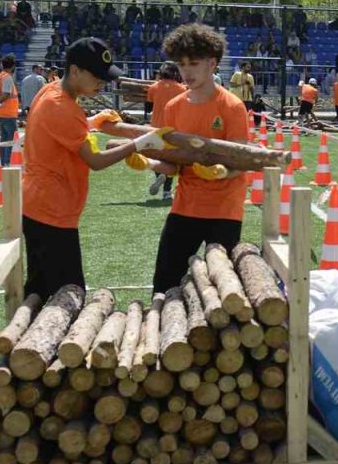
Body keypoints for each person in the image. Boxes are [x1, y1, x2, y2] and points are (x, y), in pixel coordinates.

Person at [21, 39, 160, 300]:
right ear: (75, 71)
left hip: (41, 205)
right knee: (68, 295)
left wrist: (91, 121)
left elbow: (60, 129)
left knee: (40, 290)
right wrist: (138, 144)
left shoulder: (53, 92)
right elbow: (95, 161)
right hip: (51, 210)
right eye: (97, 76)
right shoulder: (63, 107)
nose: (102, 83)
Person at [151, 24, 249, 295]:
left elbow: (241, 160)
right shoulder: (174, 107)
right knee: (164, 282)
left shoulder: (232, 106)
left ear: (212, 64)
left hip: (224, 209)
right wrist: (149, 164)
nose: (187, 71)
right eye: (181, 64)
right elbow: (173, 164)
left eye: (194, 63)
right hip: (186, 207)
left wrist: (220, 172)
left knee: (224, 287)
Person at [145, 62, 187, 201]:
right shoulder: (182, 89)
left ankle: (160, 175)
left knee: (156, 157)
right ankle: (167, 192)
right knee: (171, 159)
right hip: (174, 129)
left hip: (156, 127)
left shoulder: (153, 87)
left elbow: (148, 108)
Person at [0, 54, 19, 166]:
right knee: (12, 139)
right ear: (12, 66)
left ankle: (3, 162)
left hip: (2, 112)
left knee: (4, 139)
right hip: (9, 113)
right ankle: (8, 162)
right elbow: (6, 95)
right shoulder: (7, 77)